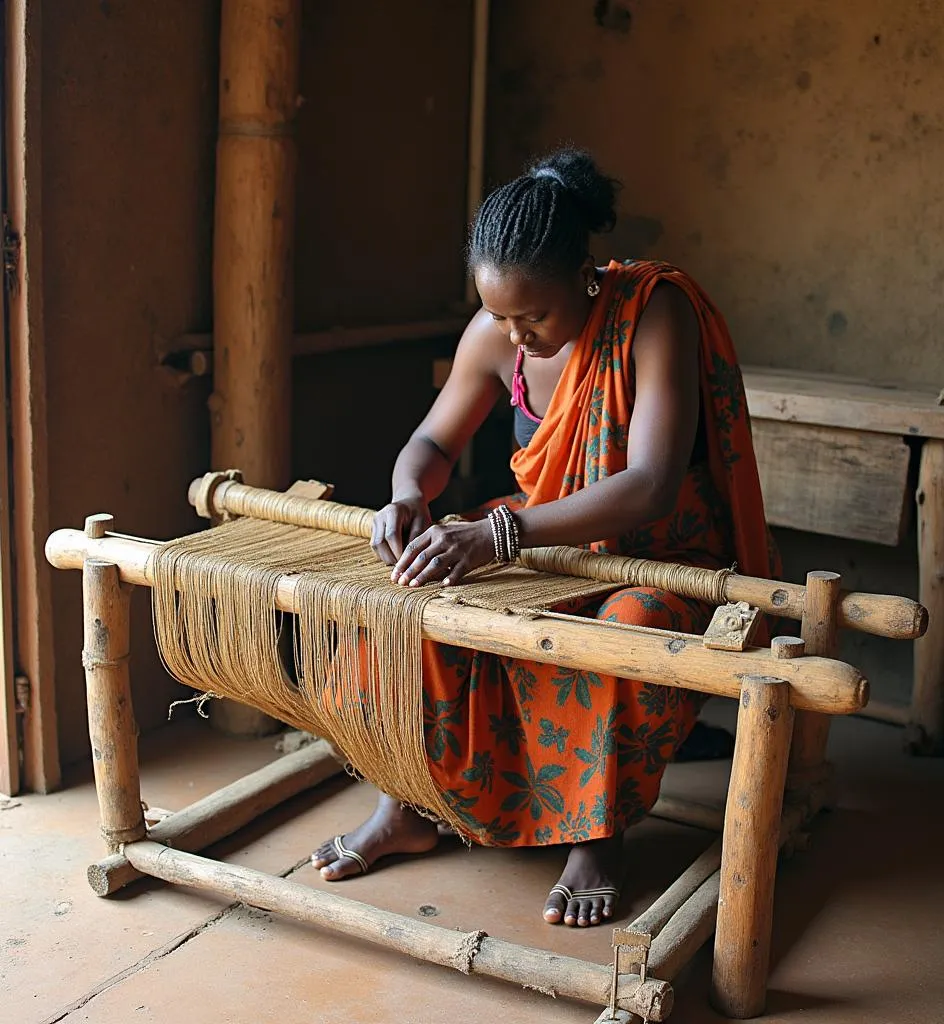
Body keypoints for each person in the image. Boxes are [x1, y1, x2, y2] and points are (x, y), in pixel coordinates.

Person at [311, 148, 780, 929]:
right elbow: (432, 444)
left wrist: (501, 534)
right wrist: (404, 496)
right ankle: (408, 805)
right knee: (413, 603)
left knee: (631, 632)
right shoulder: (496, 335)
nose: (516, 335)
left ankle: (598, 835)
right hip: (539, 539)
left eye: (534, 316)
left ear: (587, 278)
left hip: (658, 552)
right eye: (499, 315)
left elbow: (651, 483)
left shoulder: (654, 313)